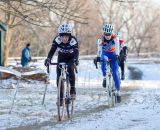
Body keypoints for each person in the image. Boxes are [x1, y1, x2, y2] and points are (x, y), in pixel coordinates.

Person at [44, 22, 79, 103]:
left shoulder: (73, 40)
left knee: (70, 69)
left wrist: (75, 60)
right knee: (58, 75)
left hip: (71, 57)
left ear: (69, 35)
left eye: (66, 36)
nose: (64, 39)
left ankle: (72, 89)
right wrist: (48, 59)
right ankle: (60, 97)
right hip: (61, 57)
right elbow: (52, 50)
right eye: (62, 36)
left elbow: (76, 52)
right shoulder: (57, 40)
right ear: (60, 36)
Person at [94, 24, 121, 102]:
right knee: (103, 62)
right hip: (105, 54)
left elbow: (117, 48)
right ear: (104, 33)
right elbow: (99, 50)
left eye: (109, 34)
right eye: (106, 34)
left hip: (113, 55)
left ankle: (118, 92)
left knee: (115, 73)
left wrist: (117, 55)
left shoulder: (115, 38)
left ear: (111, 33)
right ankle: (105, 77)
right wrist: (97, 57)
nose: (107, 36)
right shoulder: (101, 39)